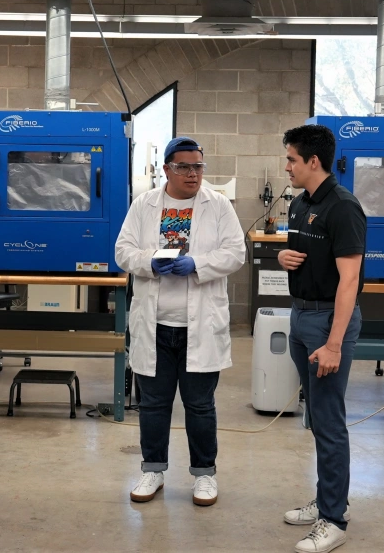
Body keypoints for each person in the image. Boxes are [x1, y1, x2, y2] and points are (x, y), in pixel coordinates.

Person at [115, 136, 245, 507]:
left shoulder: (217, 206)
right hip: (154, 323)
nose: (193, 174)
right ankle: (152, 469)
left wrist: (198, 264)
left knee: (200, 406)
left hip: (200, 324)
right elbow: (123, 251)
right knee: (154, 404)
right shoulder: (145, 204)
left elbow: (236, 252)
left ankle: (204, 476)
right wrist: (148, 262)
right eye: (185, 167)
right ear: (167, 169)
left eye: (199, 166)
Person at [277, 124, 366, 553]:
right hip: (300, 317)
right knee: (316, 417)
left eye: (292, 159)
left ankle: (334, 518)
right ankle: (327, 498)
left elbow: (349, 281)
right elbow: (301, 255)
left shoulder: (344, 208)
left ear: (314, 161)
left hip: (330, 322)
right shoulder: (299, 205)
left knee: (329, 423)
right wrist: (281, 255)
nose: (287, 166)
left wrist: (333, 343)